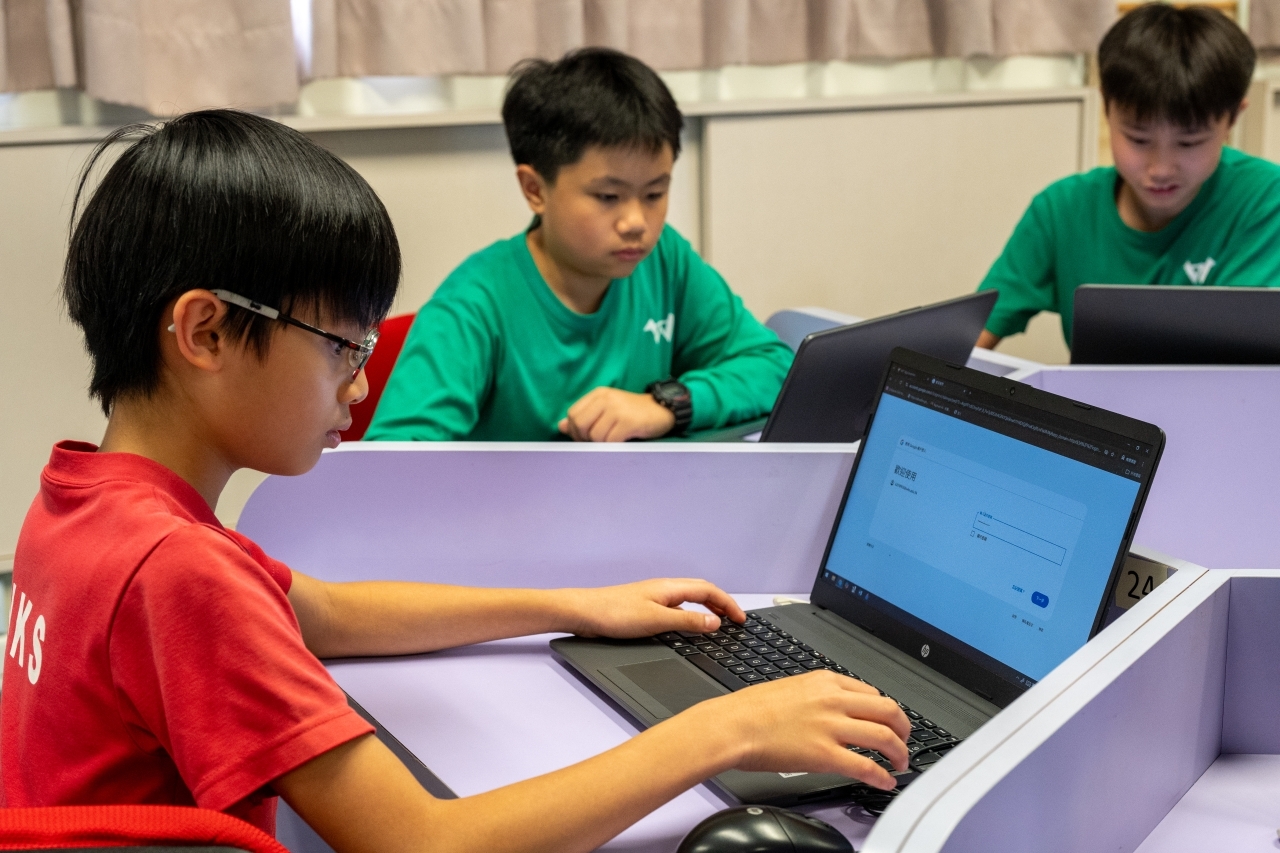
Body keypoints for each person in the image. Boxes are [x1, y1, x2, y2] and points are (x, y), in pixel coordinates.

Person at [1, 109, 909, 853]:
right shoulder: (179, 572)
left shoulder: (86, 503)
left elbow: (326, 611)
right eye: (341, 347)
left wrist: (575, 606)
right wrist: (727, 729)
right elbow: (424, 841)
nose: (361, 386)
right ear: (205, 332)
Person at [364, 49, 793, 442]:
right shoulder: (475, 304)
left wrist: (665, 405)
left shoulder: (664, 259)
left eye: (655, 193)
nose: (636, 223)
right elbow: (392, 460)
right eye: (608, 196)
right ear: (535, 189)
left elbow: (774, 367)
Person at [976, 2, 1280, 351]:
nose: (1160, 169)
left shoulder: (1265, 199)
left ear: (1233, 118)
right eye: (1138, 139)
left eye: (1189, 142)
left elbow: (1234, 360)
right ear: (1106, 107)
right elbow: (970, 340)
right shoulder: (1061, 211)